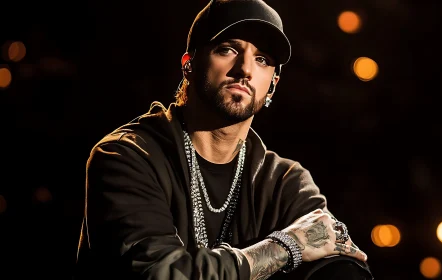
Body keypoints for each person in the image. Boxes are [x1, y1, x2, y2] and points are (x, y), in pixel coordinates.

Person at [74, 0, 374, 279]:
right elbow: (161, 272)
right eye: (228, 49)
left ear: (272, 85)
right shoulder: (125, 157)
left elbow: (339, 264)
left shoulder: (284, 182)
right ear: (189, 64)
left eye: (262, 59)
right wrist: (284, 247)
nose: (245, 69)